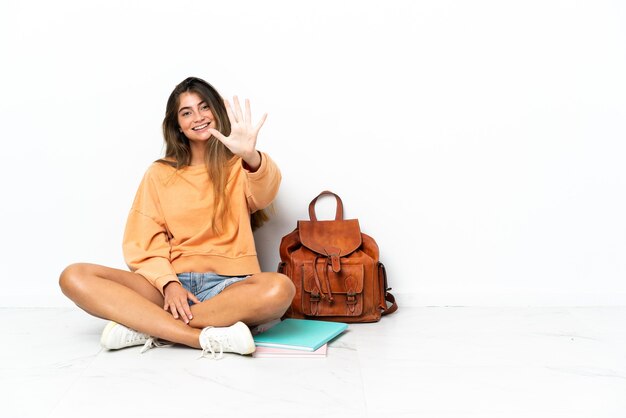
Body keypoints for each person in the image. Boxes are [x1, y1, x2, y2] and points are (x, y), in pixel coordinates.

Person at [59, 77, 295, 359]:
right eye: (187, 112)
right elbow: (143, 243)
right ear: (178, 126)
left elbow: (266, 191)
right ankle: (200, 338)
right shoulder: (159, 174)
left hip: (231, 288)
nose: (198, 117)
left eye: (204, 107)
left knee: (280, 289)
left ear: (217, 112)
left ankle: (147, 324)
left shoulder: (239, 166)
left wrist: (251, 156)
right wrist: (169, 284)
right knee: (74, 276)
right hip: (170, 286)